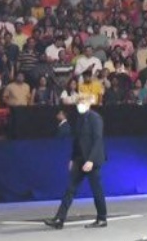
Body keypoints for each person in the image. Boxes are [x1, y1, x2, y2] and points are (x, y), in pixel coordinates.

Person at [42, 86, 108, 228]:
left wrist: (91, 160)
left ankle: (102, 218)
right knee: (70, 189)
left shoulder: (95, 118)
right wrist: (73, 158)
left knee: (96, 189)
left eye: (82, 103)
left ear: (89, 104)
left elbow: (98, 140)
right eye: (78, 103)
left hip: (92, 159)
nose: (80, 105)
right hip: (79, 158)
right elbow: (76, 140)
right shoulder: (79, 119)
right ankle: (59, 219)